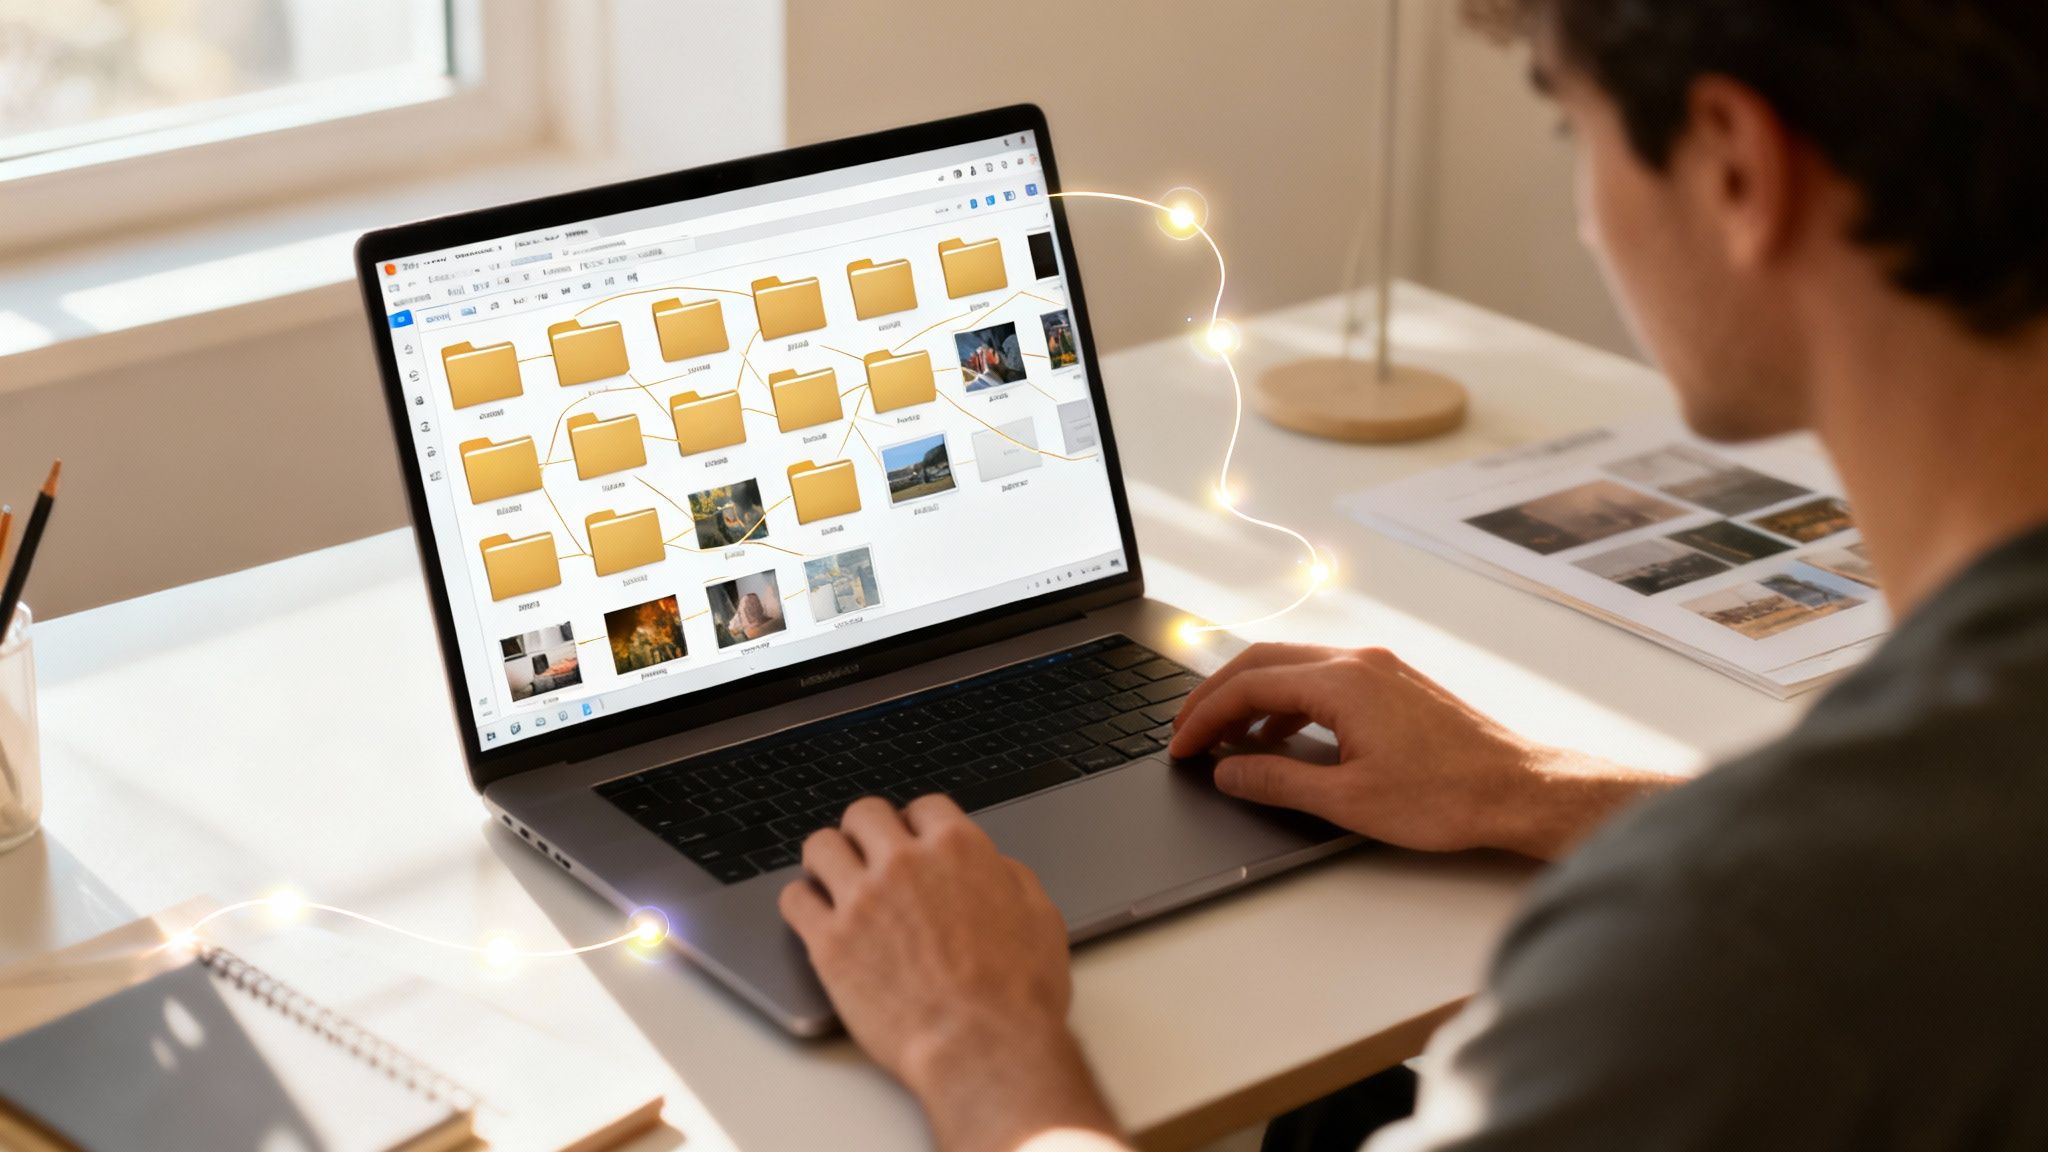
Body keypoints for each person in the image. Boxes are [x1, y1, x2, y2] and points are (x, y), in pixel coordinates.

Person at [777, 1, 2048, 1148]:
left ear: (1731, 163)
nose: (1586, 212)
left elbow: (1806, 902)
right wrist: (1538, 787)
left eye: (1572, 134)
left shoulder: (1700, 964)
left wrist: (978, 1047)